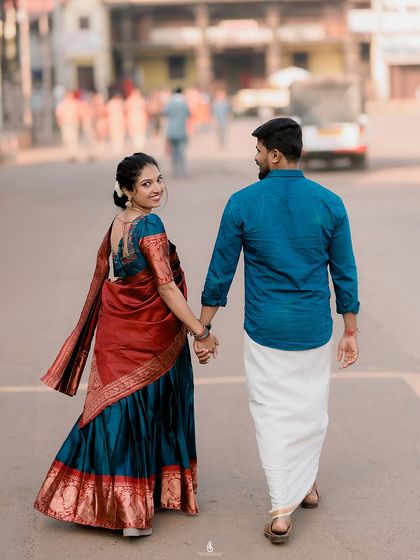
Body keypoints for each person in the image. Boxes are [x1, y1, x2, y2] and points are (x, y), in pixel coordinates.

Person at [34, 153, 219, 537]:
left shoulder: (118, 224)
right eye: (146, 184)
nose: (157, 189)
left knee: (113, 414)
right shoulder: (150, 224)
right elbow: (165, 286)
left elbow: (114, 279)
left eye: (159, 180)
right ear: (126, 190)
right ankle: (131, 514)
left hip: (117, 332)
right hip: (147, 338)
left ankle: (111, 500)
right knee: (138, 415)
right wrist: (201, 331)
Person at [196, 118, 360, 544]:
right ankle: (304, 485)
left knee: (271, 414)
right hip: (313, 328)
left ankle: (281, 509)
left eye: (257, 150)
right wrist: (350, 329)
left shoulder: (242, 202)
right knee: (309, 410)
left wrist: (204, 326)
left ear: (273, 154)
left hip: (265, 327)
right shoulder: (329, 203)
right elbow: (344, 272)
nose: (254, 157)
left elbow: (221, 271)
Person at [164, 87, 191, 178]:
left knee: (174, 152)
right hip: (182, 131)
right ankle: (182, 172)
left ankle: (175, 172)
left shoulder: (170, 103)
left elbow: (165, 113)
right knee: (181, 152)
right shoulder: (184, 103)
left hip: (171, 130)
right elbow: (189, 114)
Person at [55, 91, 81, 161]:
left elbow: (79, 112)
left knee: (74, 138)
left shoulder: (75, 103)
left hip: (73, 122)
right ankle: (69, 154)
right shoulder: (62, 104)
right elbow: (58, 113)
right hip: (65, 123)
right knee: (66, 138)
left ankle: (73, 154)